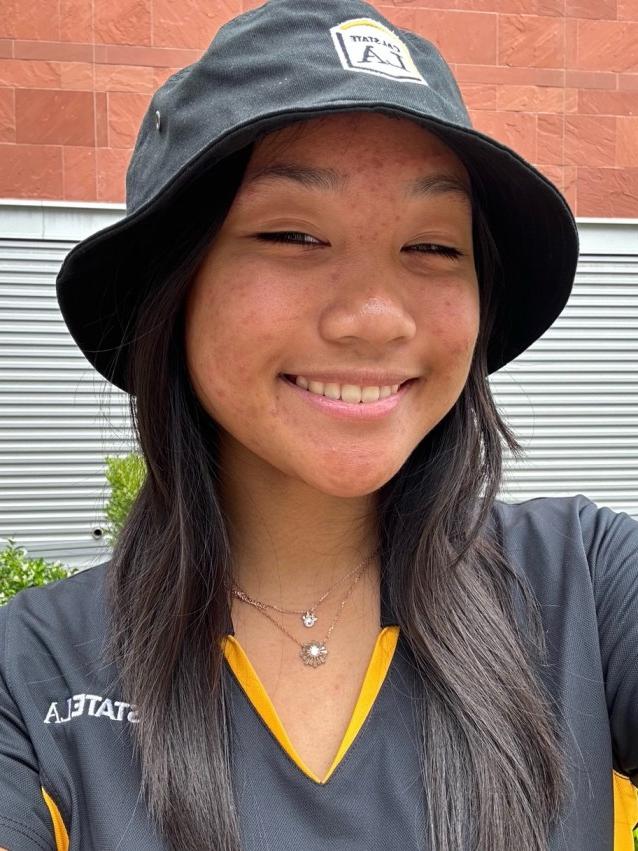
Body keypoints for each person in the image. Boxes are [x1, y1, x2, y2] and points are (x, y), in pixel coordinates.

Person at [1, 1, 637, 849]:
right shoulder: (31, 673)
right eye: (293, 233)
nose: (376, 319)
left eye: (434, 246)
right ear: (173, 288)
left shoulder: (585, 587)